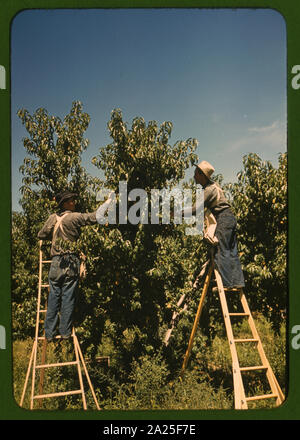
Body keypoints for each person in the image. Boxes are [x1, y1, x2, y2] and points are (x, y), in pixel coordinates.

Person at [38, 189, 107, 342]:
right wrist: (108, 202)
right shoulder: (75, 218)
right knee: (68, 298)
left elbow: (41, 234)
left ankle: (49, 334)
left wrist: (54, 236)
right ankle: (64, 333)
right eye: (72, 201)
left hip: (55, 262)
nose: (74, 203)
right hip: (70, 261)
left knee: (54, 297)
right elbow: (95, 217)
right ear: (66, 204)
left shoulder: (53, 218)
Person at [189, 160, 245, 289]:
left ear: (201, 175)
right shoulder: (215, 186)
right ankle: (238, 282)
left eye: (196, 173)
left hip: (223, 219)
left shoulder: (209, 189)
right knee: (231, 251)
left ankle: (228, 283)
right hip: (230, 218)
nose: (194, 176)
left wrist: (175, 213)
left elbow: (195, 209)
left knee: (221, 250)